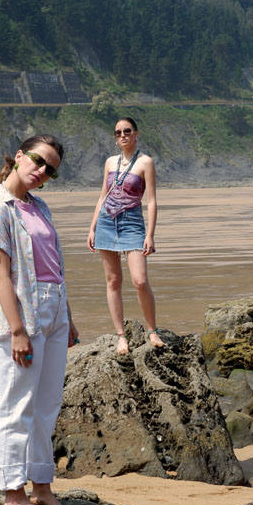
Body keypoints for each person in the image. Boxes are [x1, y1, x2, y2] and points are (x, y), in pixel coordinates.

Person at [0, 134, 79, 505]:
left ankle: (42, 487)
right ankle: (11, 493)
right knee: (17, 404)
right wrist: (17, 330)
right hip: (23, 315)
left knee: (47, 404)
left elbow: (53, 264)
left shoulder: (39, 206)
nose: (41, 172)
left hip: (54, 313)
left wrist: (68, 316)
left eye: (50, 169)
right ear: (20, 156)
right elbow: (1, 275)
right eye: (38, 161)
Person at [87, 117, 164, 353]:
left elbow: (151, 201)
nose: (123, 135)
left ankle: (152, 330)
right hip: (106, 222)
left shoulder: (145, 162)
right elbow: (102, 196)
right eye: (118, 132)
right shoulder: (110, 161)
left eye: (127, 131)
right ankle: (121, 335)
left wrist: (150, 234)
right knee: (113, 281)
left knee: (139, 281)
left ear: (136, 133)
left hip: (132, 223)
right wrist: (92, 228)